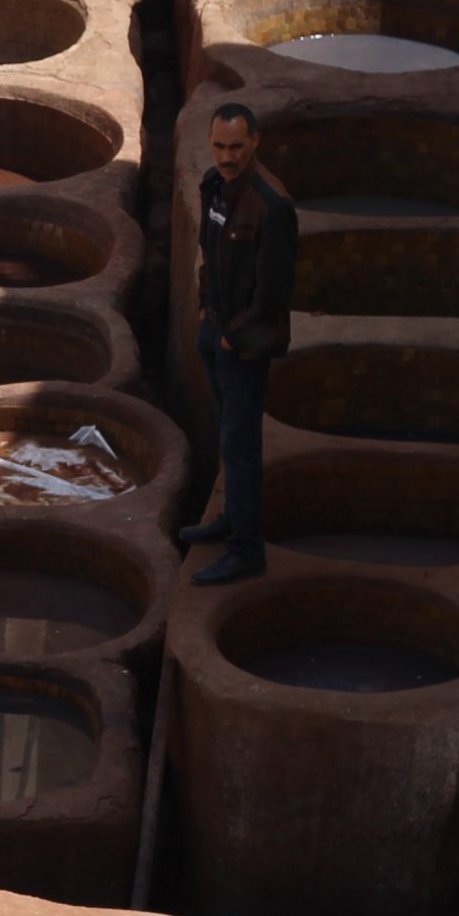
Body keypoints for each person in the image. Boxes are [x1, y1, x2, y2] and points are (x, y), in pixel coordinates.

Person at [177, 101, 298, 586]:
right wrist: (207, 309)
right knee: (229, 437)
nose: (226, 156)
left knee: (241, 445)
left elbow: (275, 291)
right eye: (219, 146)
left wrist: (234, 336)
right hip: (217, 330)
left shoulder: (272, 205)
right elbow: (210, 251)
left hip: (243, 346)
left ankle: (246, 549)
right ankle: (230, 519)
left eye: (235, 147)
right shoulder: (215, 187)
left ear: (255, 142)